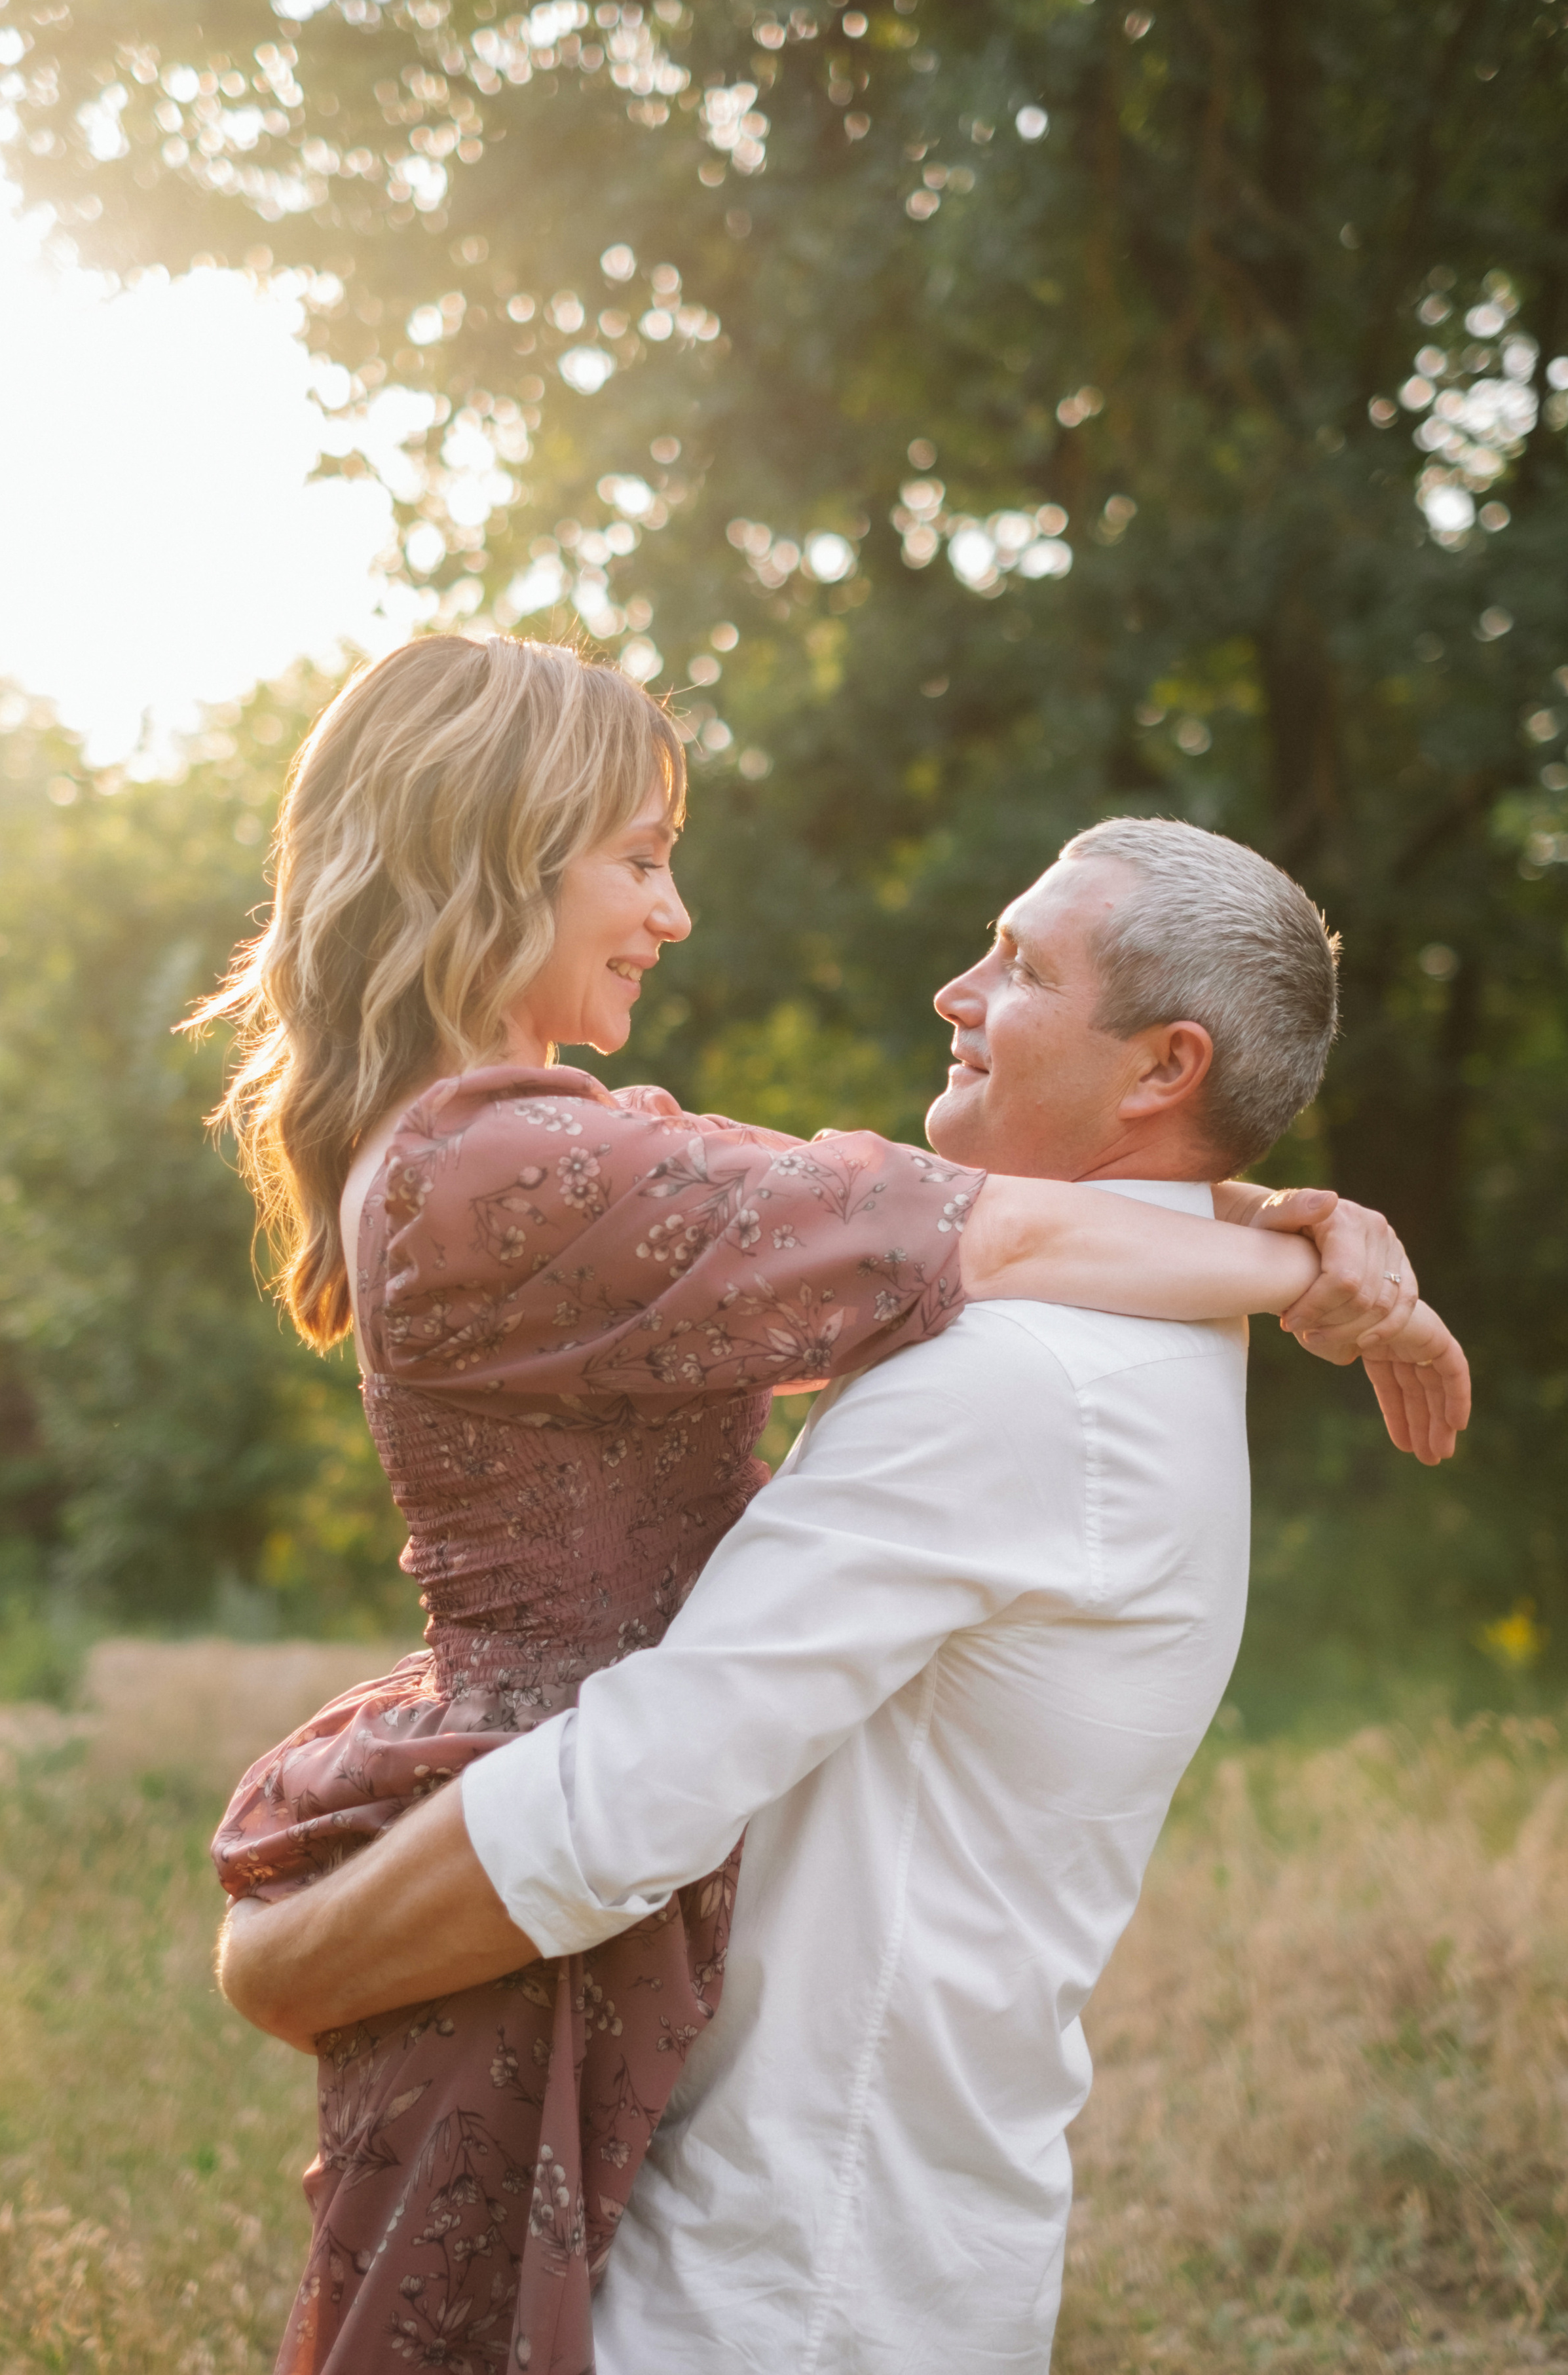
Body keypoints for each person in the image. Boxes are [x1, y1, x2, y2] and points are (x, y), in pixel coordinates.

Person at [219, 806, 1469, 2375]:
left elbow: (630, 1797)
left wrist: (284, 1961)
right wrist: (1298, 1247)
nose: (955, 988)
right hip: (885, 2235)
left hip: (775, 2275)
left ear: (1162, 1072)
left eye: (1018, 968)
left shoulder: (1023, 1379)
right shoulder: (1136, 1334)